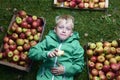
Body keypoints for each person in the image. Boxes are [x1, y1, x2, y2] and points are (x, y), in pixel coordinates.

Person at [28, 15, 84, 80]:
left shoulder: (76, 45)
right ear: (55, 29)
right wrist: (46, 54)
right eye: (61, 27)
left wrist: (65, 69)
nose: (64, 31)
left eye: (68, 29)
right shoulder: (48, 40)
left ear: (71, 33)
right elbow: (32, 53)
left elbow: (79, 65)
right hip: (44, 77)